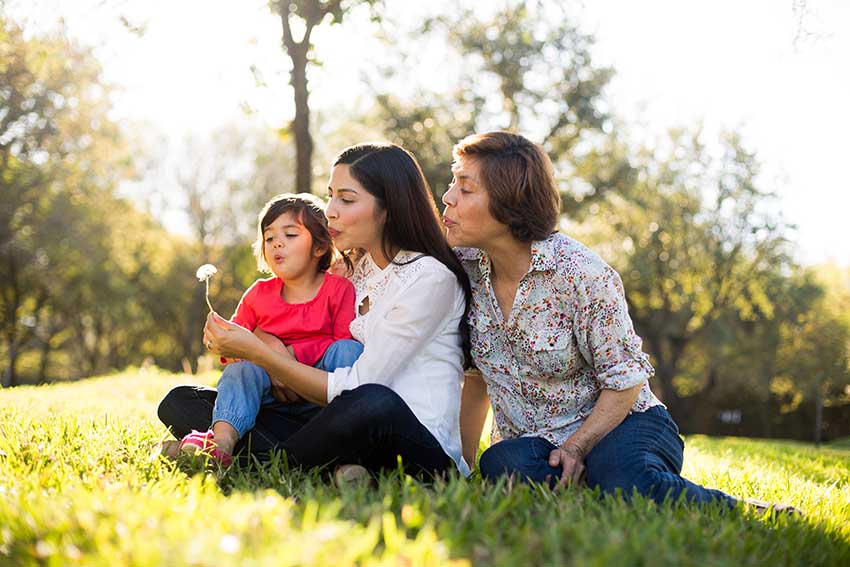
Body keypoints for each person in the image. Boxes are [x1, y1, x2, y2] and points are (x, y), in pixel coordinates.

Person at [443, 131, 739, 507]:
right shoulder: (464, 270)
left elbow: (625, 380)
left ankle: (736, 506)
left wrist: (577, 446)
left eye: (466, 188)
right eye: (454, 182)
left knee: (622, 480)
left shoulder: (581, 274)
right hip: (538, 446)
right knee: (501, 463)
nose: (448, 197)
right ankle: (588, 482)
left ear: (509, 202)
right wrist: (465, 469)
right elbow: (476, 380)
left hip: (623, 424)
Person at [158, 143, 473, 479]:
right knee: (182, 400)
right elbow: (289, 311)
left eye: (347, 199)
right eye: (330, 196)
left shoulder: (428, 278)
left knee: (372, 401)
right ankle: (323, 466)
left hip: (407, 439)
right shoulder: (353, 270)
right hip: (332, 420)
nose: (330, 211)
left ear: (389, 208)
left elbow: (356, 386)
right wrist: (265, 343)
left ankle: (266, 459)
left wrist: (265, 355)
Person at [171, 193, 363, 466]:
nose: (277, 243)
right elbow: (236, 346)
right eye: (269, 237)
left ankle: (347, 454)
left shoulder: (338, 289)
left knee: (348, 350)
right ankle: (221, 443)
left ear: (320, 246)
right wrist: (218, 338)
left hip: (321, 395)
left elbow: (342, 340)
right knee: (240, 371)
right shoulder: (258, 294)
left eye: (290, 235)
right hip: (268, 400)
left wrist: (287, 355)